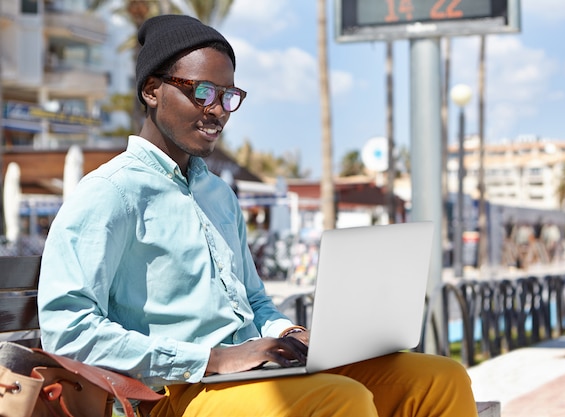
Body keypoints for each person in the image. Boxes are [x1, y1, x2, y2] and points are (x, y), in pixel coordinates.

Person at [38, 14, 478, 417]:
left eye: (229, 96)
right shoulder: (109, 193)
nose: (218, 110)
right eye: (203, 92)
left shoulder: (218, 195)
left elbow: (254, 302)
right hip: (172, 393)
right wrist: (212, 359)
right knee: (342, 400)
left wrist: (292, 333)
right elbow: (67, 330)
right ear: (152, 90)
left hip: (250, 376)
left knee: (438, 379)